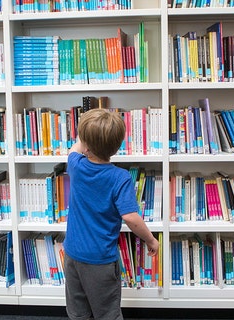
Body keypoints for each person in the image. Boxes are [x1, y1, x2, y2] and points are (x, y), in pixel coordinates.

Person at [63, 108, 159, 320]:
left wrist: (85, 135)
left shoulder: (76, 166)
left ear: (86, 146)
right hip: (100, 261)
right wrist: (151, 240)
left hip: (72, 255)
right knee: (107, 313)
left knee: (78, 312)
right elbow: (131, 218)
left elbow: (74, 148)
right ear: (117, 146)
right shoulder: (120, 177)